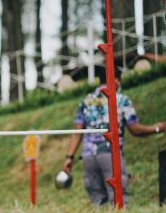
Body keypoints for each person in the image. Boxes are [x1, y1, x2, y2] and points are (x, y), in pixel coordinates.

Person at [62, 68, 166, 205]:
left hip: (88, 158)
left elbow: (77, 132)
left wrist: (69, 157)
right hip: (110, 155)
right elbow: (136, 130)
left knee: (98, 203)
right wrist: (158, 127)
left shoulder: (85, 101)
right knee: (118, 200)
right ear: (116, 80)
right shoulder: (121, 100)